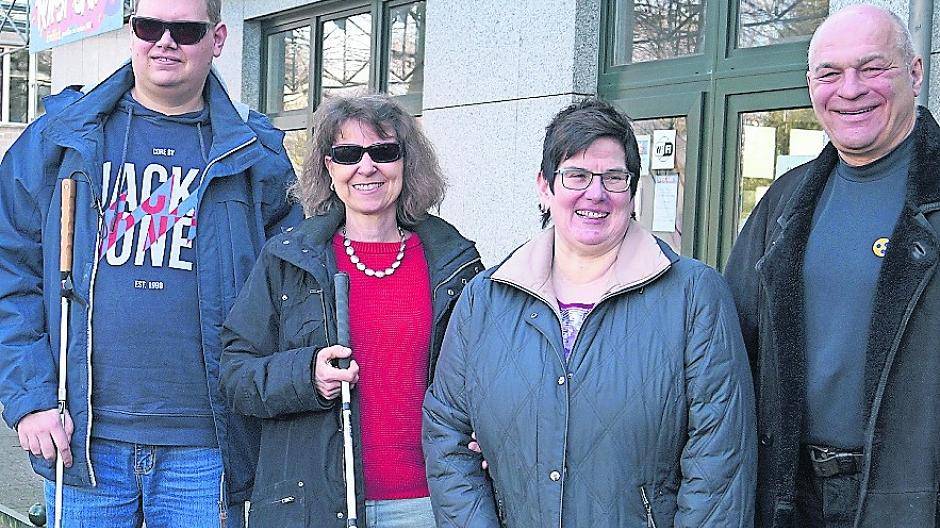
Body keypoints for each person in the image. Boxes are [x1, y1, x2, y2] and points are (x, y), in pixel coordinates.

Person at [0, 0, 302, 526]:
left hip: (208, 445)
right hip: (82, 442)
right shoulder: (60, 140)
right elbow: (9, 275)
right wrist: (30, 398)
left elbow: (292, 291)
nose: (166, 41)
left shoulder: (256, 154)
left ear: (219, 38)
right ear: (131, 33)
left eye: (186, 29)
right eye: (150, 26)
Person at [423, 98, 756, 527]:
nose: (595, 194)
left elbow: (719, 462)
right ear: (545, 187)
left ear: (632, 191)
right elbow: (446, 433)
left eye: (614, 178)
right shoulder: (483, 300)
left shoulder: (694, 295)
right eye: (576, 175)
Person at [220, 93, 483, 527]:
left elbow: (487, 375)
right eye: (347, 154)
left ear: (406, 163)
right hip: (314, 506)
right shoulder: (288, 258)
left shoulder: (453, 262)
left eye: (384, 152)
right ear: (328, 166)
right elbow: (234, 374)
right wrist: (305, 376)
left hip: (428, 504)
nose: (366, 167)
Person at [723, 5, 940, 527]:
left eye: (873, 68)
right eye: (830, 73)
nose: (851, 89)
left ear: (914, 72)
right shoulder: (785, 203)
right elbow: (725, 348)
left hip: (911, 500)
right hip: (791, 498)